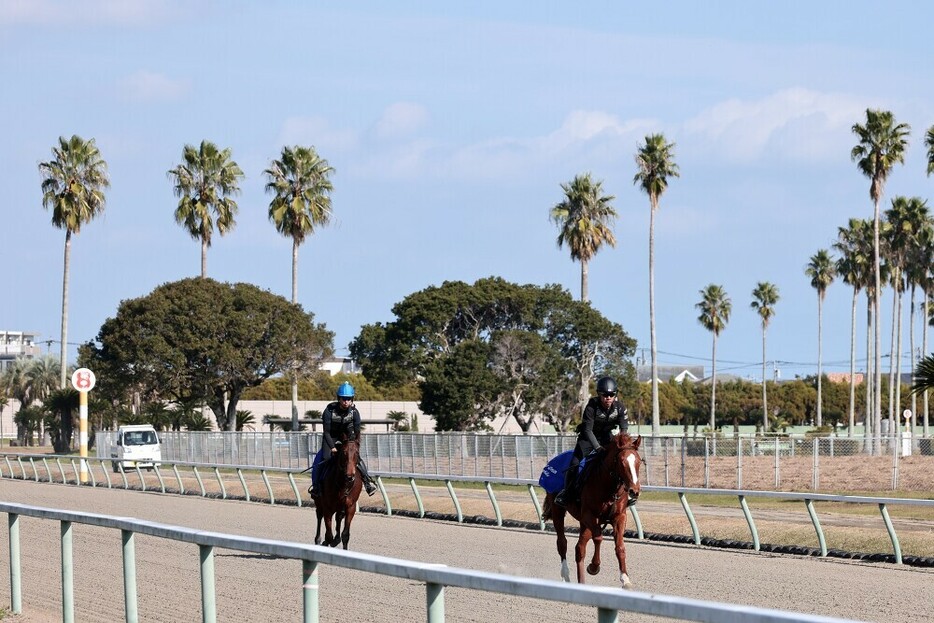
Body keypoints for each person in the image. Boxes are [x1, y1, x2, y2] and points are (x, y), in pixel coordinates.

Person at [554, 376, 629, 507]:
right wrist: (598, 448)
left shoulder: (620, 408)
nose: (608, 397)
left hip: (606, 437)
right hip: (587, 438)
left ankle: (626, 493)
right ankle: (566, 493)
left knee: (620, 462)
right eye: (605, 394)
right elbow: (588, 430)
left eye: (611, 394)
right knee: (574, 463)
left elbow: (624, 431)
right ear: (599, 394)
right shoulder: (591, 407)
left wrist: (622, 447)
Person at [308, 381, 378, 497]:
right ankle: (316, 486)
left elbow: (356, 433)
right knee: (324, 458)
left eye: (349, 399)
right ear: (339, 399)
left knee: (357, 459)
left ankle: (367, 483)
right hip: (331, 437)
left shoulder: (355, 413)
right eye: (343, 399)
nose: (346, 402)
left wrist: (354, 445)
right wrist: (332, 447)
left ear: (352, 400)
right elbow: (326, 432)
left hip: (348, 437)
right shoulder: (329, 411)